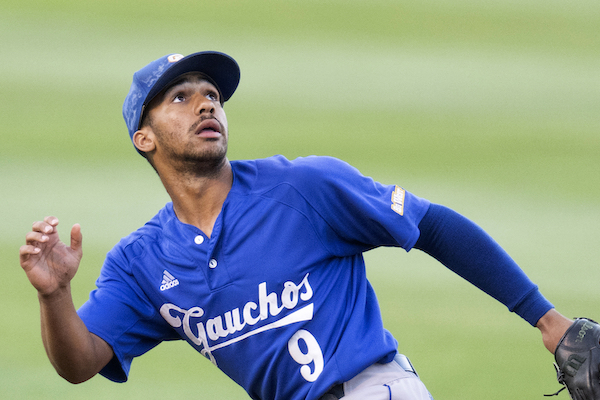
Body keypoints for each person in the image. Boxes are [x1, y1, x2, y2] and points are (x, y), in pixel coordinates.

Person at [20, 51, 575, 400]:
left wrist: (547, 320)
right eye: (181, 97)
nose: (206, 105)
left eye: (212, 95)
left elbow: (432, 226)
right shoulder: (142, 262)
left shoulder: (302, 188)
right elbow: (80, 363)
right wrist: (56, 296)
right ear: (144, 137)